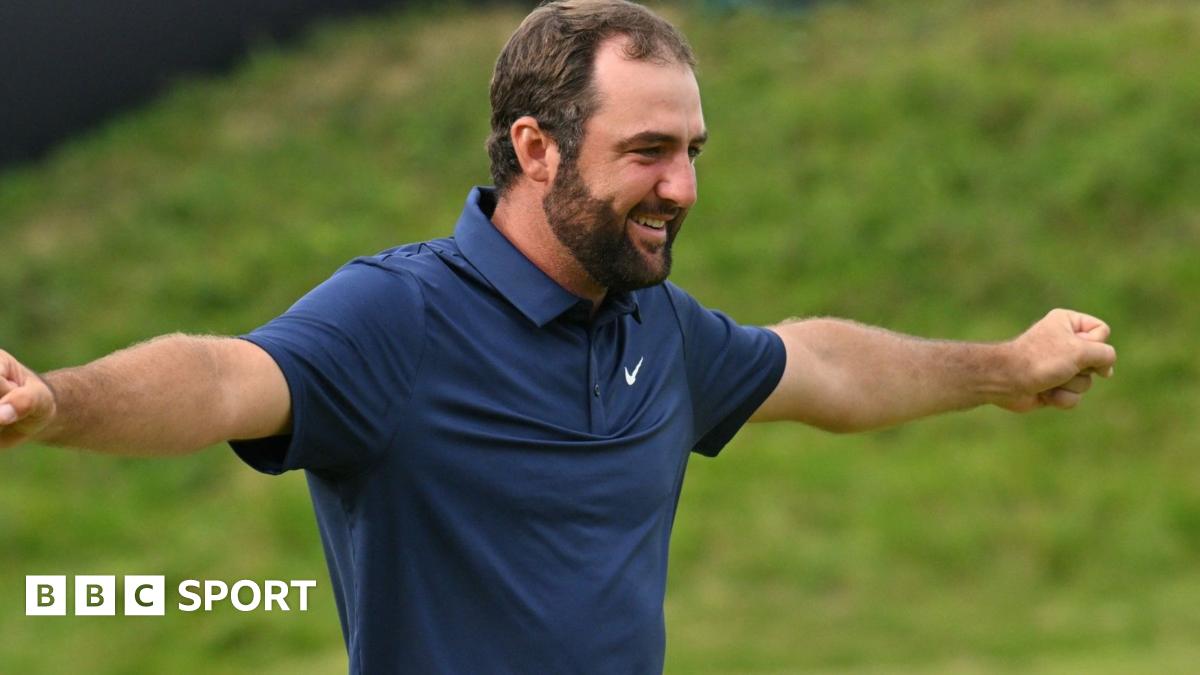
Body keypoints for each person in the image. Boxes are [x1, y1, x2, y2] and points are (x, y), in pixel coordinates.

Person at [0, 1, 1116, 672]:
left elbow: (819, 364)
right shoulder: (400, 315)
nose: (680, 186)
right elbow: (217, 376)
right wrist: (55, 401)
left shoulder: (660, 333)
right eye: (646, 150)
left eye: (693, 151)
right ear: (536, 148)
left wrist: (1006, 368)